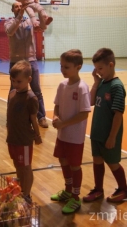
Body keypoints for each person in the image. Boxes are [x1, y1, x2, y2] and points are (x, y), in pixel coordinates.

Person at [83, 48, 127, 203]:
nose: (98, 72)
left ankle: (124, 189)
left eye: (100, 69)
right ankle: (98, 189)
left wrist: (112, 137)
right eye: (96, 69)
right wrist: (95, 82)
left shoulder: (116, 86)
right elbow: (91, 102)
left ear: (111, 65)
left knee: (113, 163)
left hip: (109, 135)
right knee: (97, 160)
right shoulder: (101, 83)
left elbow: (118, 114)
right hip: (97, 132)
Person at [50, 49, 91, 214]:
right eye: (61, 66)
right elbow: (57, 105)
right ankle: (67, 190)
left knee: (75, 166)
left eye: (66, 67)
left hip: (75, 136)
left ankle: (75, 197)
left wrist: (64, 123)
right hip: (62, 134)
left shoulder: (82, 88)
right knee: (63, 160)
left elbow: (84, 113)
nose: (62, 69)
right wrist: (55, 117)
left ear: (78, 67)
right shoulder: (62, 85)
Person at [4, 1, 49, 128]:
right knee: (13, 90)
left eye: (20, 6)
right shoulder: (8, 22)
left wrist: (40, 12)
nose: (19, 8)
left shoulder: (30, 21)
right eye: (16, 7)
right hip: (16, 61)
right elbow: (10, 31)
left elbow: (41, 27)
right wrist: (20, 16)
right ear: (13, 10)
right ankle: (11, 117)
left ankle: (41, 117)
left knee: (37, 90)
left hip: (31, 60)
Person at [6, 60, 42, 203]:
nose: (15, 84)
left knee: (26, 168)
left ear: (29, 80)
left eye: (19, 81)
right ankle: (20, 189)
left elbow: (34, 119)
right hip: (13, 138)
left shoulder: (31, 98)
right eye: (13, 81)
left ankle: (26, 195)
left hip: (24, 140)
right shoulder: (12, 94)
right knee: (17, 165)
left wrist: (38, 136)